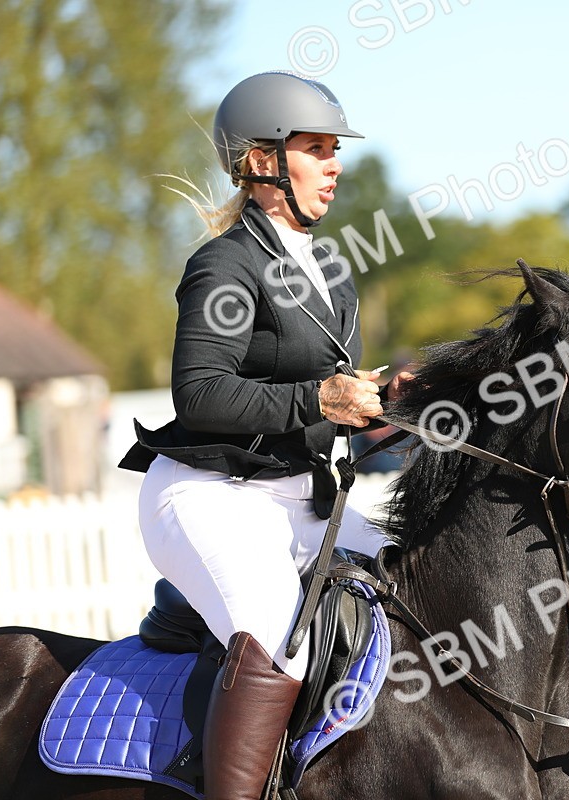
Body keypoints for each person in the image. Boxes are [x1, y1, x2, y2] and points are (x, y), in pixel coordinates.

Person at [119, 71, 403, 799]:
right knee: (284, 639)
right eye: (316, 148)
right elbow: (201, 393)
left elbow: (323, 397)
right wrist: (319, 396)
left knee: (409, 580)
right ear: (260, 161)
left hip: (293, 501)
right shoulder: (223, 264)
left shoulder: (333, 269)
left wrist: (380, 400)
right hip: (206, 495)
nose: (335, 164)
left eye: (334, 148)